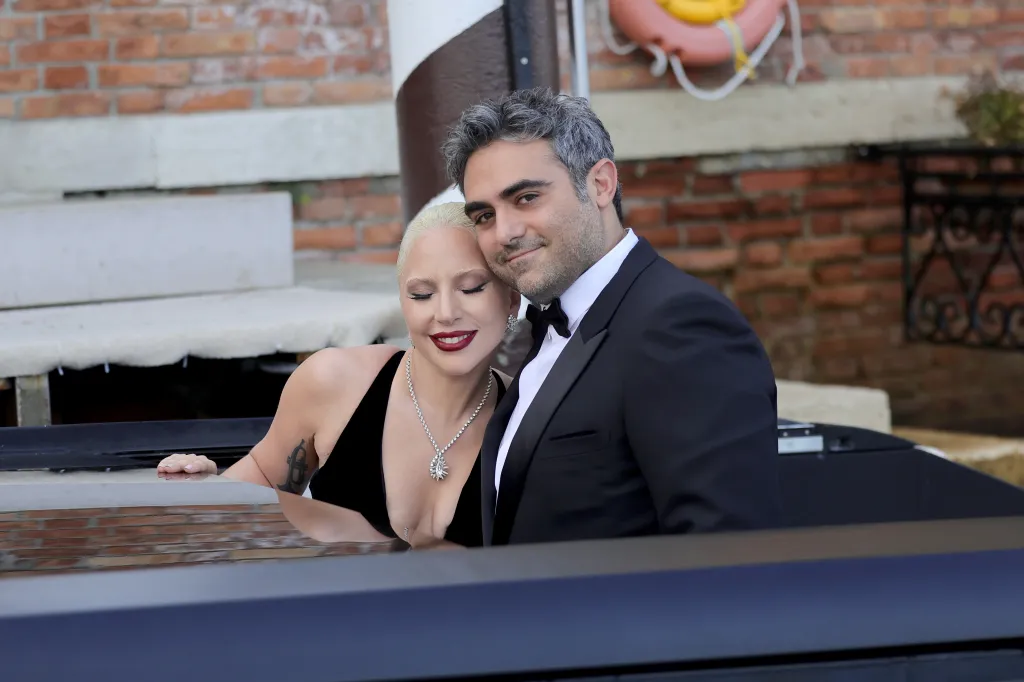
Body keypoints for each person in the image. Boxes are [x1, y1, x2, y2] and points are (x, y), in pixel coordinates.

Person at [441, 87, 783, 546]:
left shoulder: (682, 325)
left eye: (525, 198)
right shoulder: (542, 323)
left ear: (600, 184)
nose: (504, 233)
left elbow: (727, 554)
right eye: (484, 215)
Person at [157, 202, 520, 548]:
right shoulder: (333, 382)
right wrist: (202, 486)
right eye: (422, 294)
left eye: (471, 287)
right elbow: (247, 501)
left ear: (512, 299)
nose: (445, 312)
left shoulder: (529, 416)